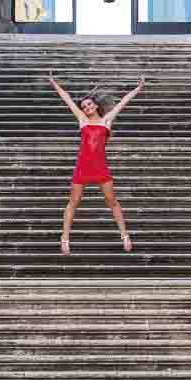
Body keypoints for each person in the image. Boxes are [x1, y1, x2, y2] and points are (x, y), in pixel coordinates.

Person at [48, 72, 145, 256]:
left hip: (100, 167)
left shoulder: (106, 120)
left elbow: (123, 102)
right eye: (84, 106)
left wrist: (138, 88)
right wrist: (55, 84)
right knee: (73, 202)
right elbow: (67, 99)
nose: (87, 107)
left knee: (112, 202)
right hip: (83, 167)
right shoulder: (82, 121)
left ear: (96, 105)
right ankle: (65, 238)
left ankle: (124, 235)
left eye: (89, 104)